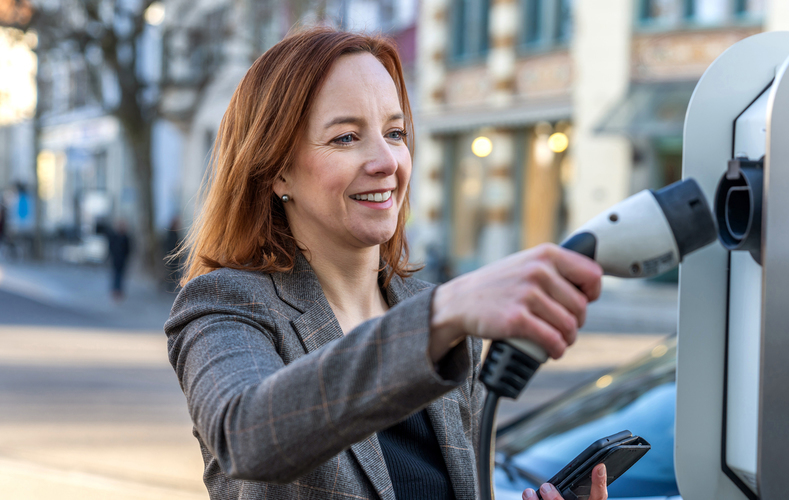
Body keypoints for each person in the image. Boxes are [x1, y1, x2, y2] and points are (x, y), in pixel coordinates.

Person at [165, 27, 607, 500]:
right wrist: (445, 315)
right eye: (347, 137)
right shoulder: (225, 305)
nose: (386, 161)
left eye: (394, 133)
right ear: (277, 170)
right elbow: (247, 437)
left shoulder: (438, 319)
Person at [107, 218, 131, 302]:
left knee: (120, 276)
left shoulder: (125, 237)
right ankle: (115, 291)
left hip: (122, 260)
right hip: (116, 259)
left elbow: (128, 249)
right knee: (116, 275)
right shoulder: (114, 236)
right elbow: (111, 247)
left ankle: (118, 291)